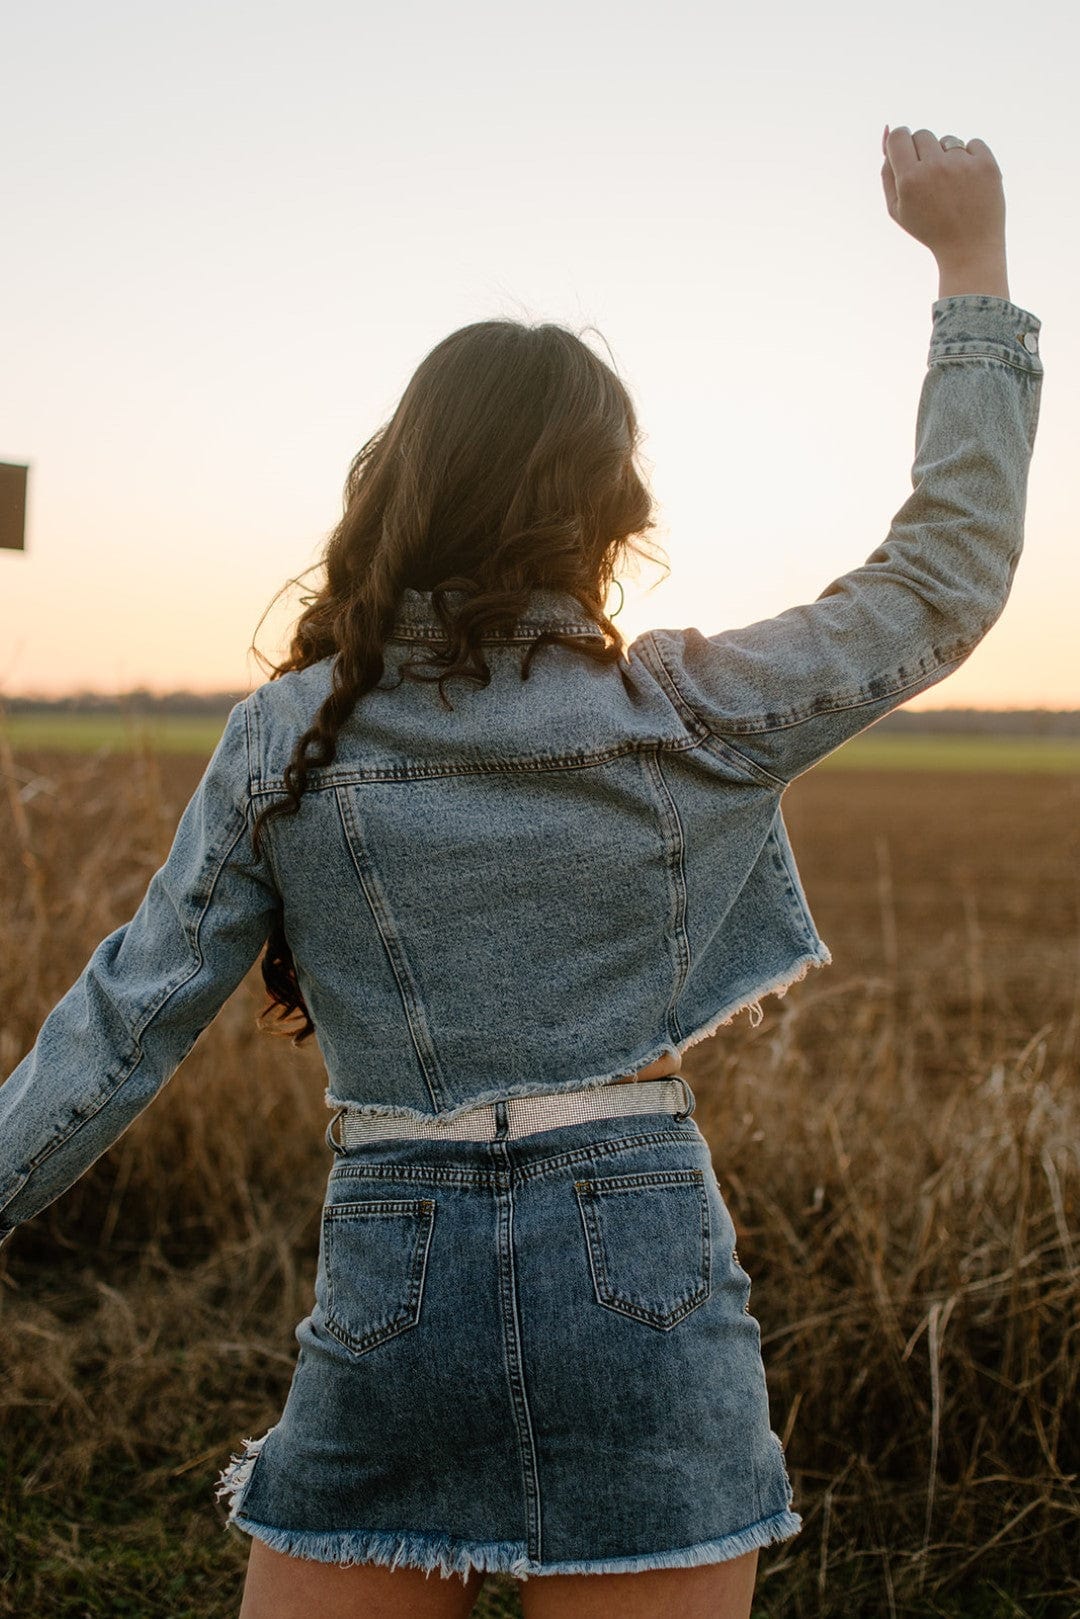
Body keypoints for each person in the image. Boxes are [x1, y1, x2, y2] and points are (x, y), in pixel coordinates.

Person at [0, 123, 1043, 1619]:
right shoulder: (682, 706)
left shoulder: (291, 732)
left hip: (391, 1269)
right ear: (612, 505)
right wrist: (968, 264)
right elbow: (945, 576)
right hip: (647, 1273)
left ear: (402, 481)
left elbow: (122, 1021)